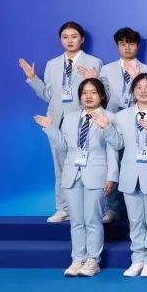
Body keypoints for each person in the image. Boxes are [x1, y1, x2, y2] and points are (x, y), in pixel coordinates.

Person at [18, 20, 103, 222]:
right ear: (60, 40)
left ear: (82, 39)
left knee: (88, 165)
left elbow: (100, 93)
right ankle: (63, 208)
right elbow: (48, 95)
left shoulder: (94, 62)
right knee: (60, 167)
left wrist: (96, 78)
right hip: (56, 121)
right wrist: (33, 79)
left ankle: (88, 209)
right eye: (65, 37)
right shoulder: (52, 64)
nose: (69, 40)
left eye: (74, 36)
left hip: (82, 122)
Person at [33, 78, 117, 277]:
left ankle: (93, 260)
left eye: (93, 92)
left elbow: (114, 148)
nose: (88, 96)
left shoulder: (110, 117)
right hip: (72, 174)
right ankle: (78, 258)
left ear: (101, 95)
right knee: (76, 220)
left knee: (93, 219)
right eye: (84, 93)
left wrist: (112, 176)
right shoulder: (70, 118)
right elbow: (63, 147)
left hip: (96, 173)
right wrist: (50, 128)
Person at [101, 72, 147, 278]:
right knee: (135, 221)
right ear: (133, 91)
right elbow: (117, 144)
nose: (143, 91)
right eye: (138, 88)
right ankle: (137, 259)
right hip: (130, 176)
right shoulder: (122, 116)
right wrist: (106, 128)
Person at [99, 27, 145, 223]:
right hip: (113, 121)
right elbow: (101, 96)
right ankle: (112, 208)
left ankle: (144, 206)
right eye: (123, 44)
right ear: (117, 45)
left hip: (138, 123)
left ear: (137, 46)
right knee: (112, 162)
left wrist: (137, 77)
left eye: (131, 43)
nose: (127, 48)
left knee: (139, 162)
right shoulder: (106, 70)